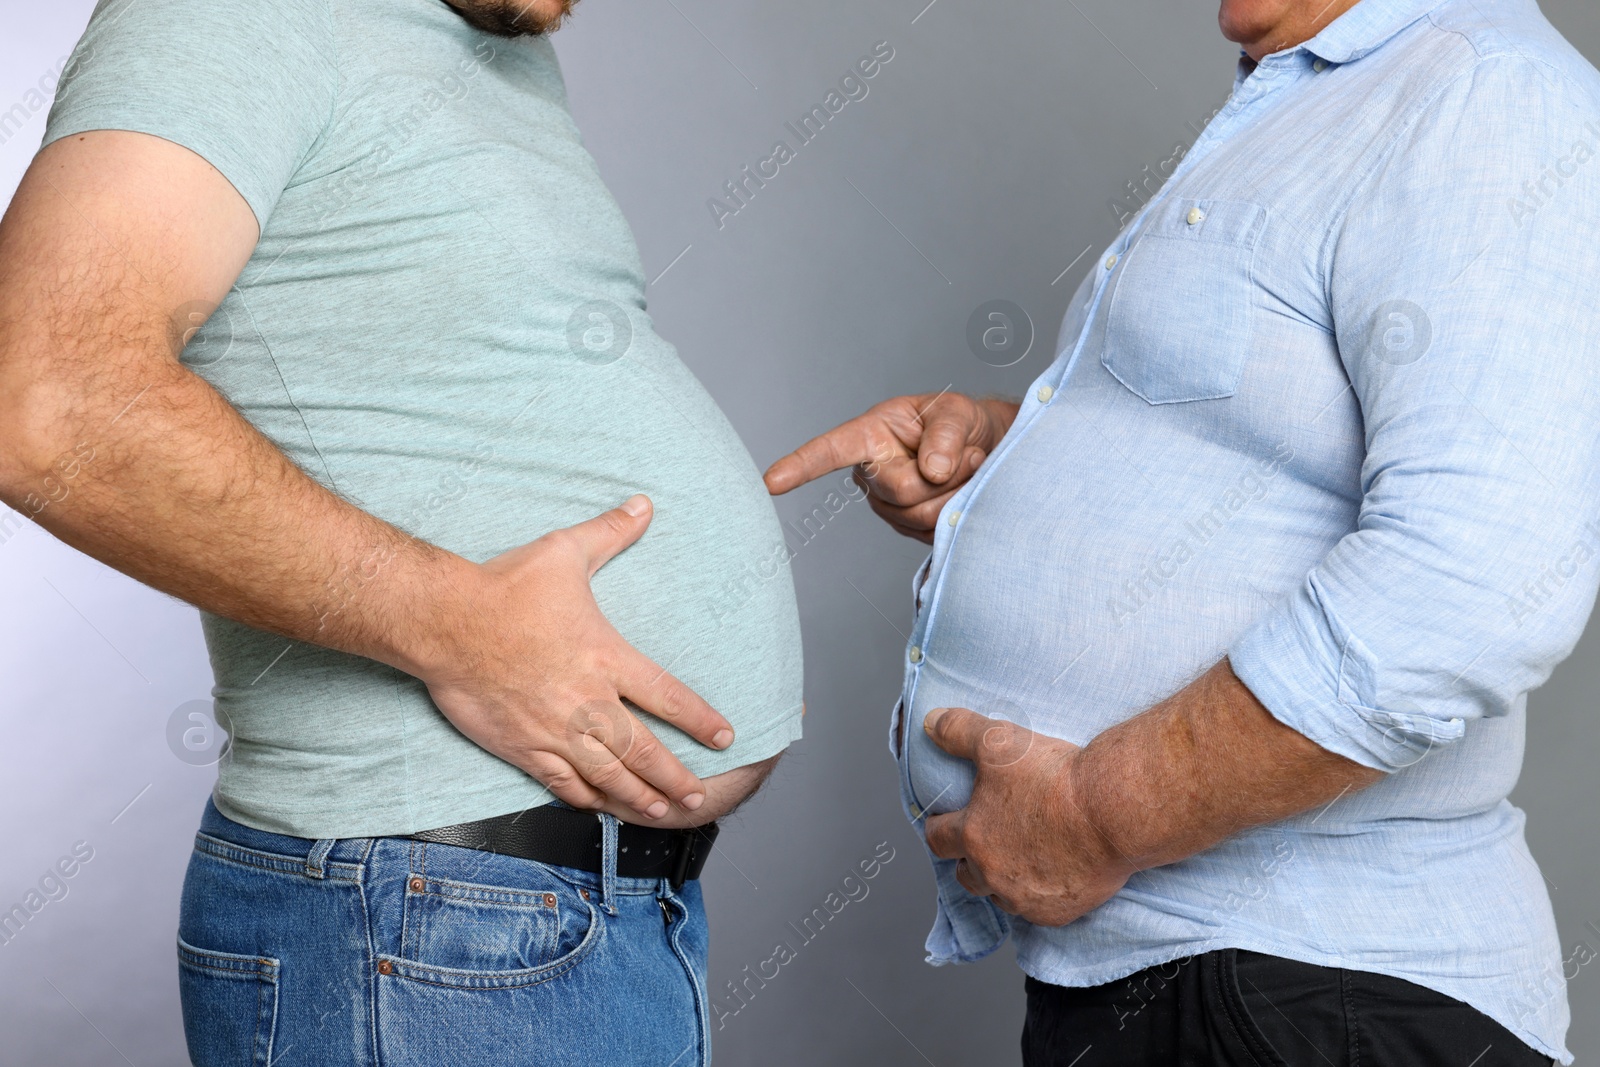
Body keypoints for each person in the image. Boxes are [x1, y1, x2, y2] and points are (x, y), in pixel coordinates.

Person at [767, 0, 1600, 1061]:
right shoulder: (1312, 98)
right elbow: (1276, 444)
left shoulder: (1485, 92)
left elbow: (1475, 582)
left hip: (1310, 994)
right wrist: (1016, 465)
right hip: (1194, 988)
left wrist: (1095, 814)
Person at [0, 0, 803, 1064]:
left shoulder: (480, 46)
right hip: (428, 924)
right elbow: (49, 398)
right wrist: (457, 626)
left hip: (545, 915)